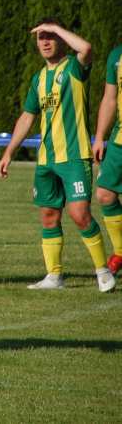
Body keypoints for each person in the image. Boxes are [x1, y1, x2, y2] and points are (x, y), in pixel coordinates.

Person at [0, 18, 115, 293]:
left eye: (51, 36)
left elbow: (86, 48)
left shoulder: (74, 68)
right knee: (49, 215)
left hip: (74, 157)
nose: (46, 41)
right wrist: (9, 153)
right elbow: (27, 117)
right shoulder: (38, 78)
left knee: (79, 214)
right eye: (41, 37)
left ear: (62, 39)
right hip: (46, 160)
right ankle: (54, 276)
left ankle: (102, 270)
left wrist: (56, 27)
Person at [89, 42, 122, 276]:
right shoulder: (117, 56)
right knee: (104, 193)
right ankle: (120, 252)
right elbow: (110, 98)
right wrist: (99, 136)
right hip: (120, 138)